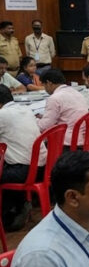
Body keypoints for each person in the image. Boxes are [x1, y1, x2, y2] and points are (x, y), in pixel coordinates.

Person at [0, 85, 44, 231]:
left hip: (22, 171)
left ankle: (12, 213)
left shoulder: (3, 115)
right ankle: (19, 206)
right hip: (41, 167)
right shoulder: (25, 110)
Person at [37, 69, 89, 147]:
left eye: (44, 86)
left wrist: (33, 121)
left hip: (67, 142)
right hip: (84, 137)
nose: (45, 89)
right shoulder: (76, 93)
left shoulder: (54, 98)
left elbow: (45, 125)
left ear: (48, 83)